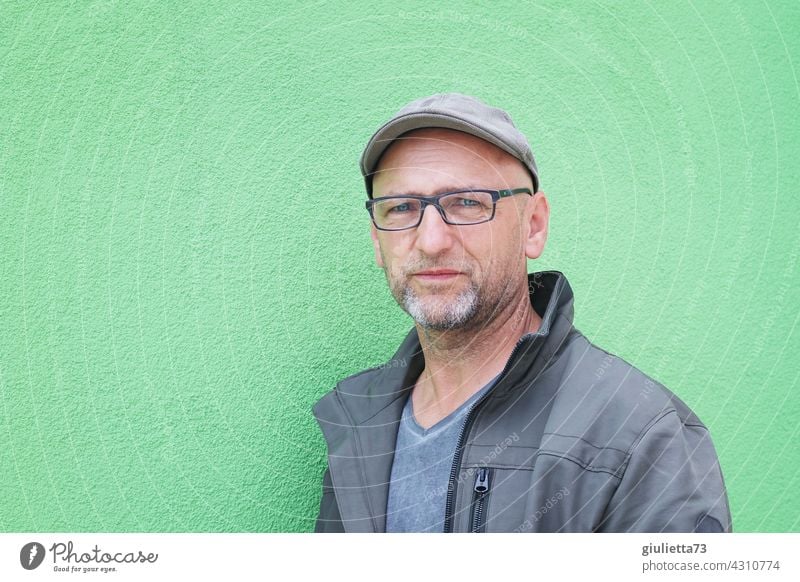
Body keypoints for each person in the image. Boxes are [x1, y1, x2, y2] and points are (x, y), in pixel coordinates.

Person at [311, 93, 732, 533]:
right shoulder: (361, 425)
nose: (431, 240)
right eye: (400, 208)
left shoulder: (640, 436)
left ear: (533, 226)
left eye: (468, 203)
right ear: (378, 241)